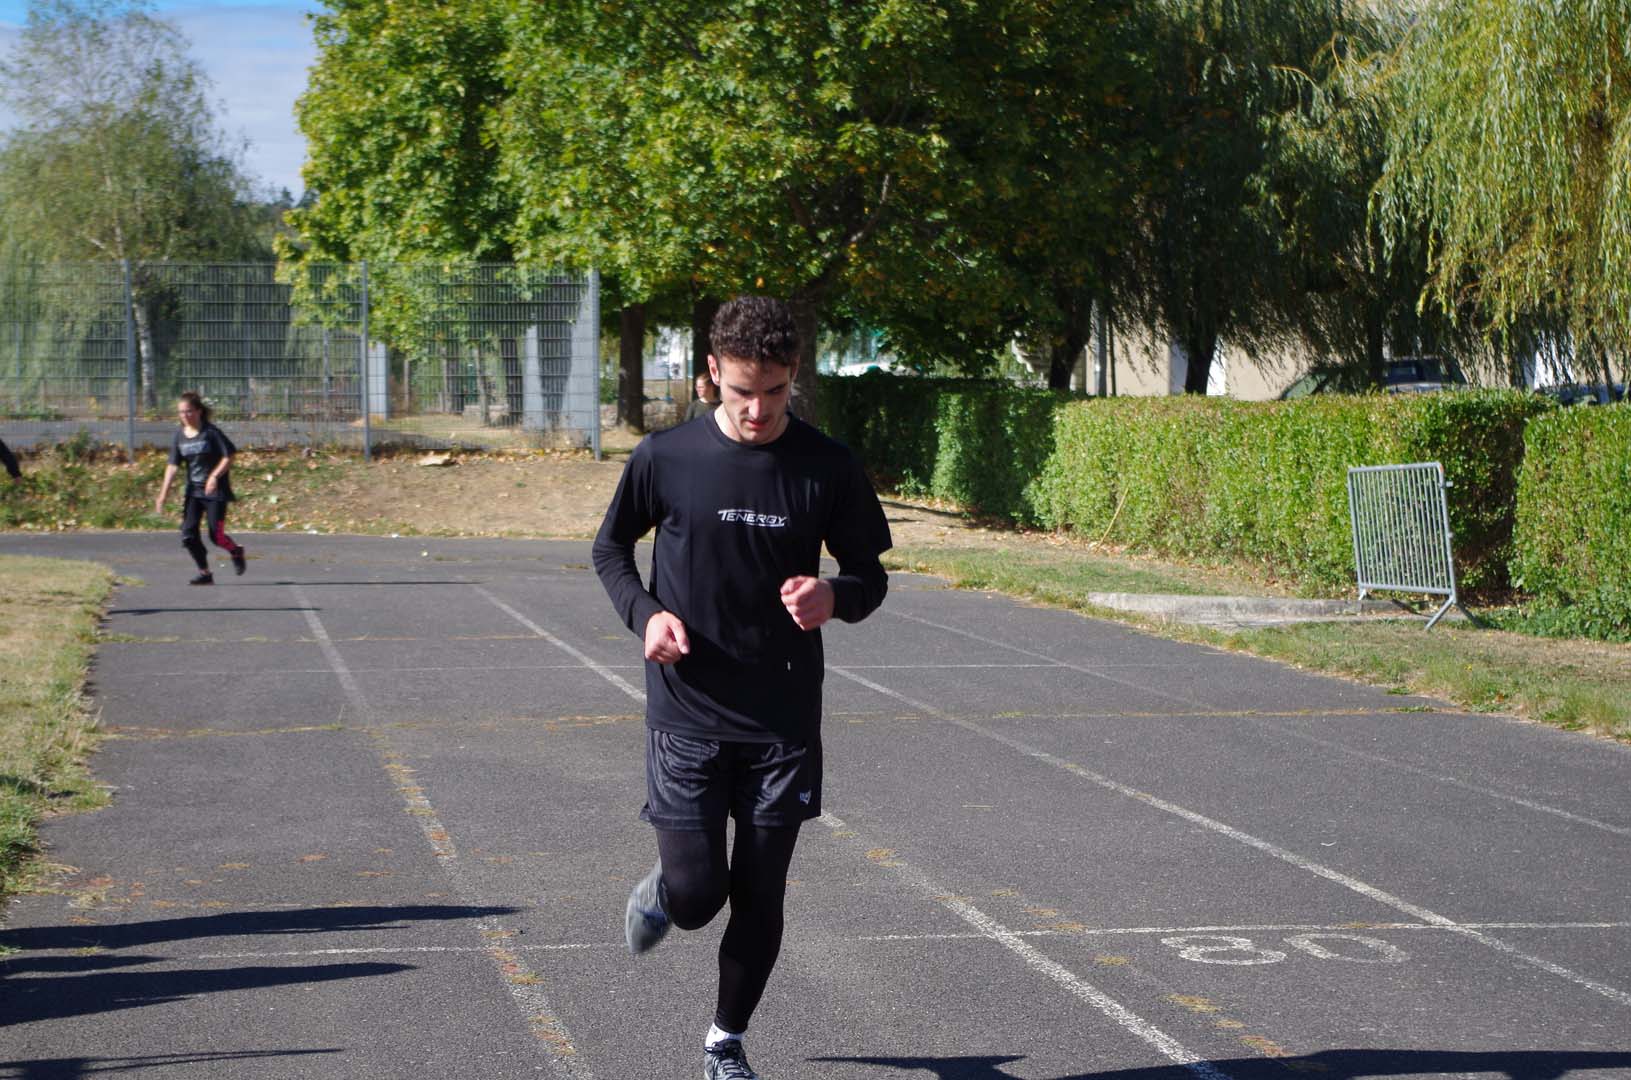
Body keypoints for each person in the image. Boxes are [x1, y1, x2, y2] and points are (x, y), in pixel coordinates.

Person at [592, 296, 891, 1080]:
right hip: (687, 708)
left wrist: (837, 596)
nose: (757, 410)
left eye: (774, 393)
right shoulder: (666, 459)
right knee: (698, 896)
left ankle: (725, 1040)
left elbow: (868, 573)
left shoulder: (827, 466)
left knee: (760, 891)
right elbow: (611, 550)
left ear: (794, 379)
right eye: (740, 392)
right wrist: (645, 615)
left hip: (782, 717)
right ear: (709, 377)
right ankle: (667, 888)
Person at [154, 391, 246, 585]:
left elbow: (229, 455)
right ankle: (205, 573)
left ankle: (236, 551)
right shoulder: (179, 436)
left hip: (215, 492)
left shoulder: (210, 432)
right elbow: (172, 466)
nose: (185, 416)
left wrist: (214, 476)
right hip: (193, 493)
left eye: (189, 411)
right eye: (181, 412)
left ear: (199, 411)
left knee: (216, 536)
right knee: (188, 535)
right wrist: (163, 494)